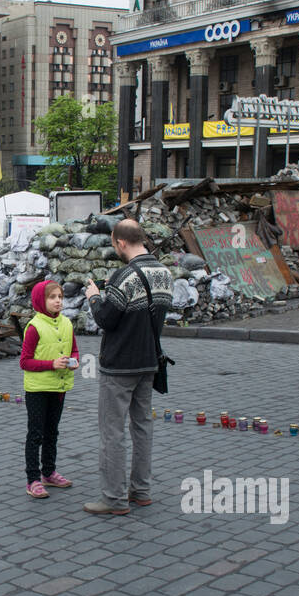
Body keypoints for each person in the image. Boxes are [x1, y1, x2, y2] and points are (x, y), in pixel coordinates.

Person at [83, 218, 173, 515]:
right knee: (142, 427)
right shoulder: (164, 272)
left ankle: (114, 498)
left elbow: (107, 319)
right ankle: (141, 490)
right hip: (149, 362)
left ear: (120, 242)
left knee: (113, 432)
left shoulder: (125, 275)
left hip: (120, 365)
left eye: (114, 243)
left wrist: (95, 297)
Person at [20, 281, 79, 499]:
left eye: (60, 296)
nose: (57, 301)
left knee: (52, 432)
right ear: (40, 301)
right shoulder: (35, 327)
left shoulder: (67, 323)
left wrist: (75, 360)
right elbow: (25, 362)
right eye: (52, 297)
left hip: (59, 387)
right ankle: (33, 479)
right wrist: (51, 364)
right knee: (36, 434)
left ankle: (49, 472)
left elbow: (74, 349)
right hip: (37, 389)